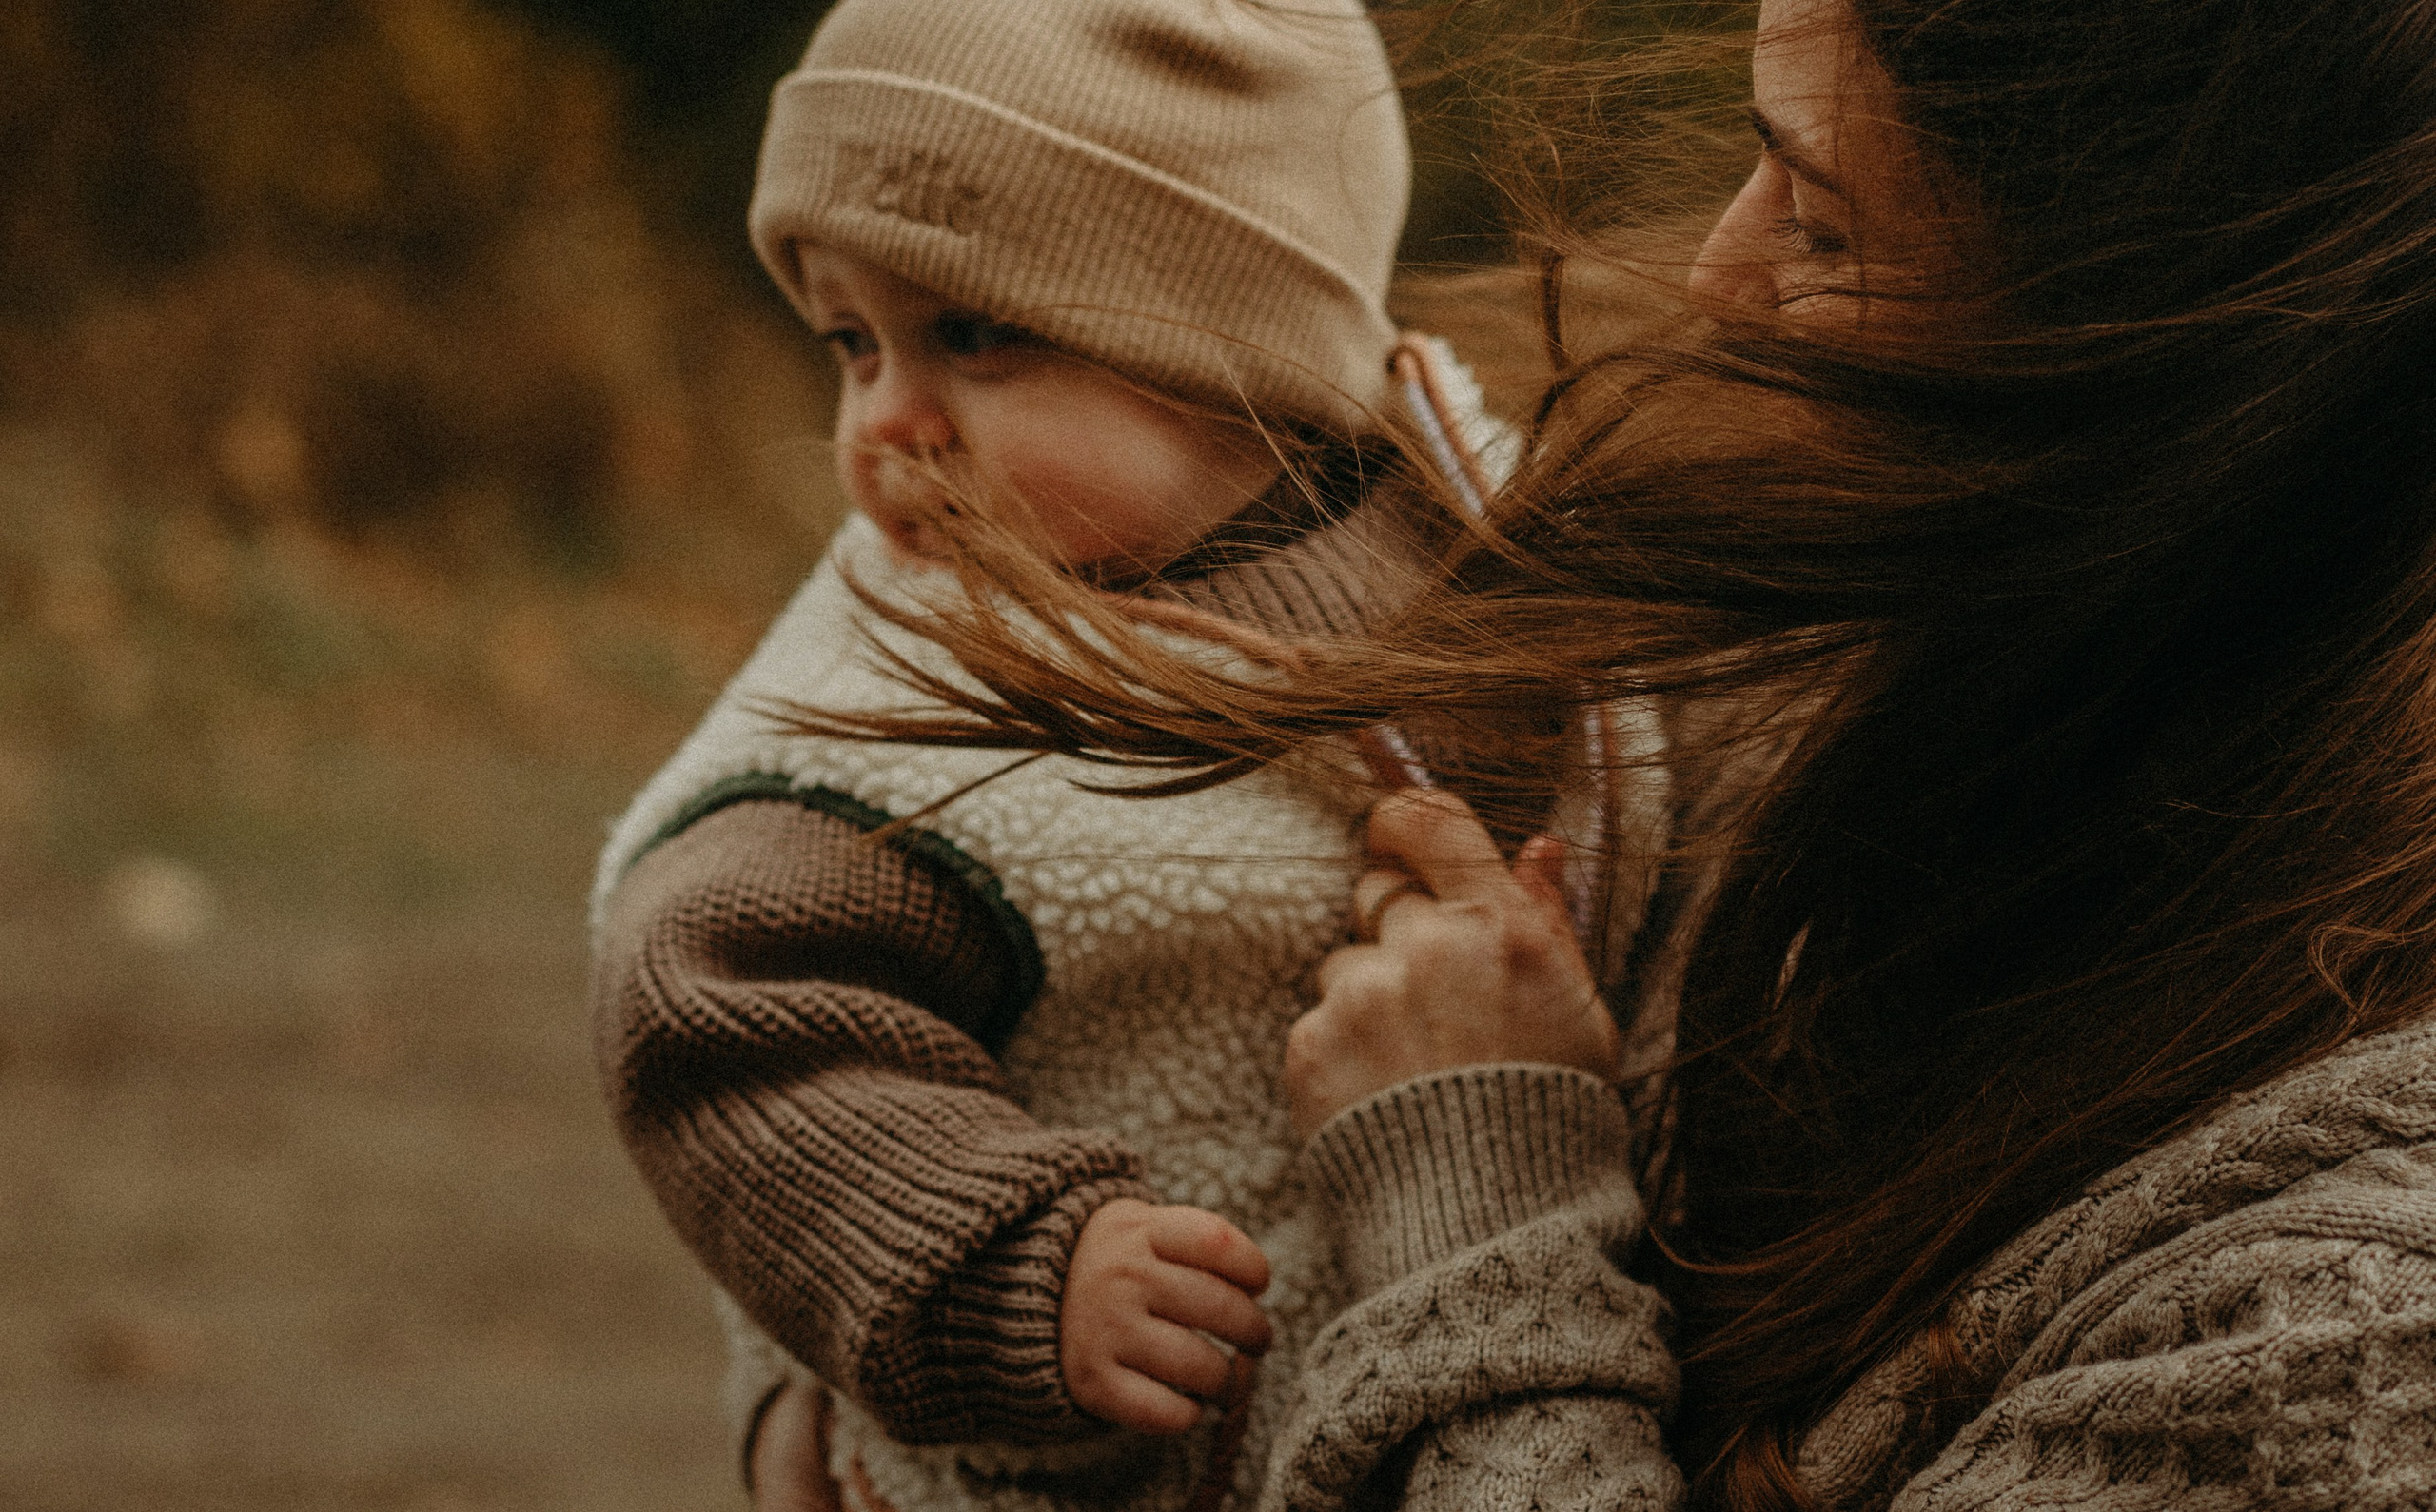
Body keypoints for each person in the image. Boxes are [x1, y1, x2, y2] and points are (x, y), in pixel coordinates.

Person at [745, 0, 2436, 1505]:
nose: (1716, 277)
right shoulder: (1805, 663)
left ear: (2155, 332)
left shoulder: (2339, 1332)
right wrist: (860, 1361)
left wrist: (1480, 1204)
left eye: (1818, 217)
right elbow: (791, 1039)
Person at [588, 3, 1644, 1510]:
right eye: (851, 344)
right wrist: (1023, 1263)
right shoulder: (911, 704)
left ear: (1234, 345)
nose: (885, 419)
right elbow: (711, 1010)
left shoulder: (1490, 557)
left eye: (971, 333)